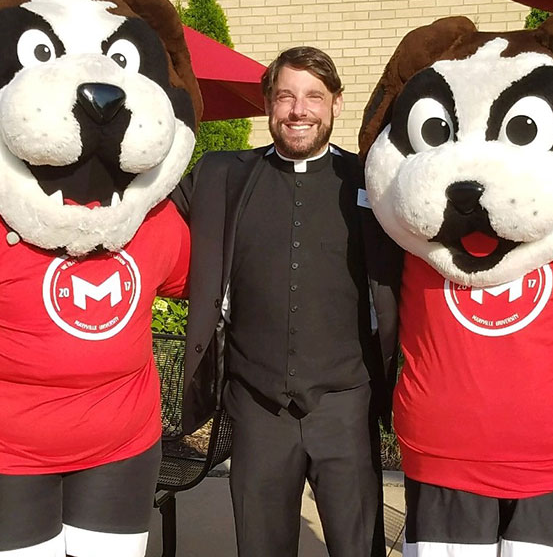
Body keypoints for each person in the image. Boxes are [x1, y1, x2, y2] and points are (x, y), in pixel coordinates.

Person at [171, 46, 401, 557]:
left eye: (314, 97)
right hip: (258, 409)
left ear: (336, 104)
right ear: (269, 105)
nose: (299, 110)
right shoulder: (222, 177)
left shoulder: (373, 182)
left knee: (359, 548)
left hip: (345, 406)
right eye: (286, 96)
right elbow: (143, 212)